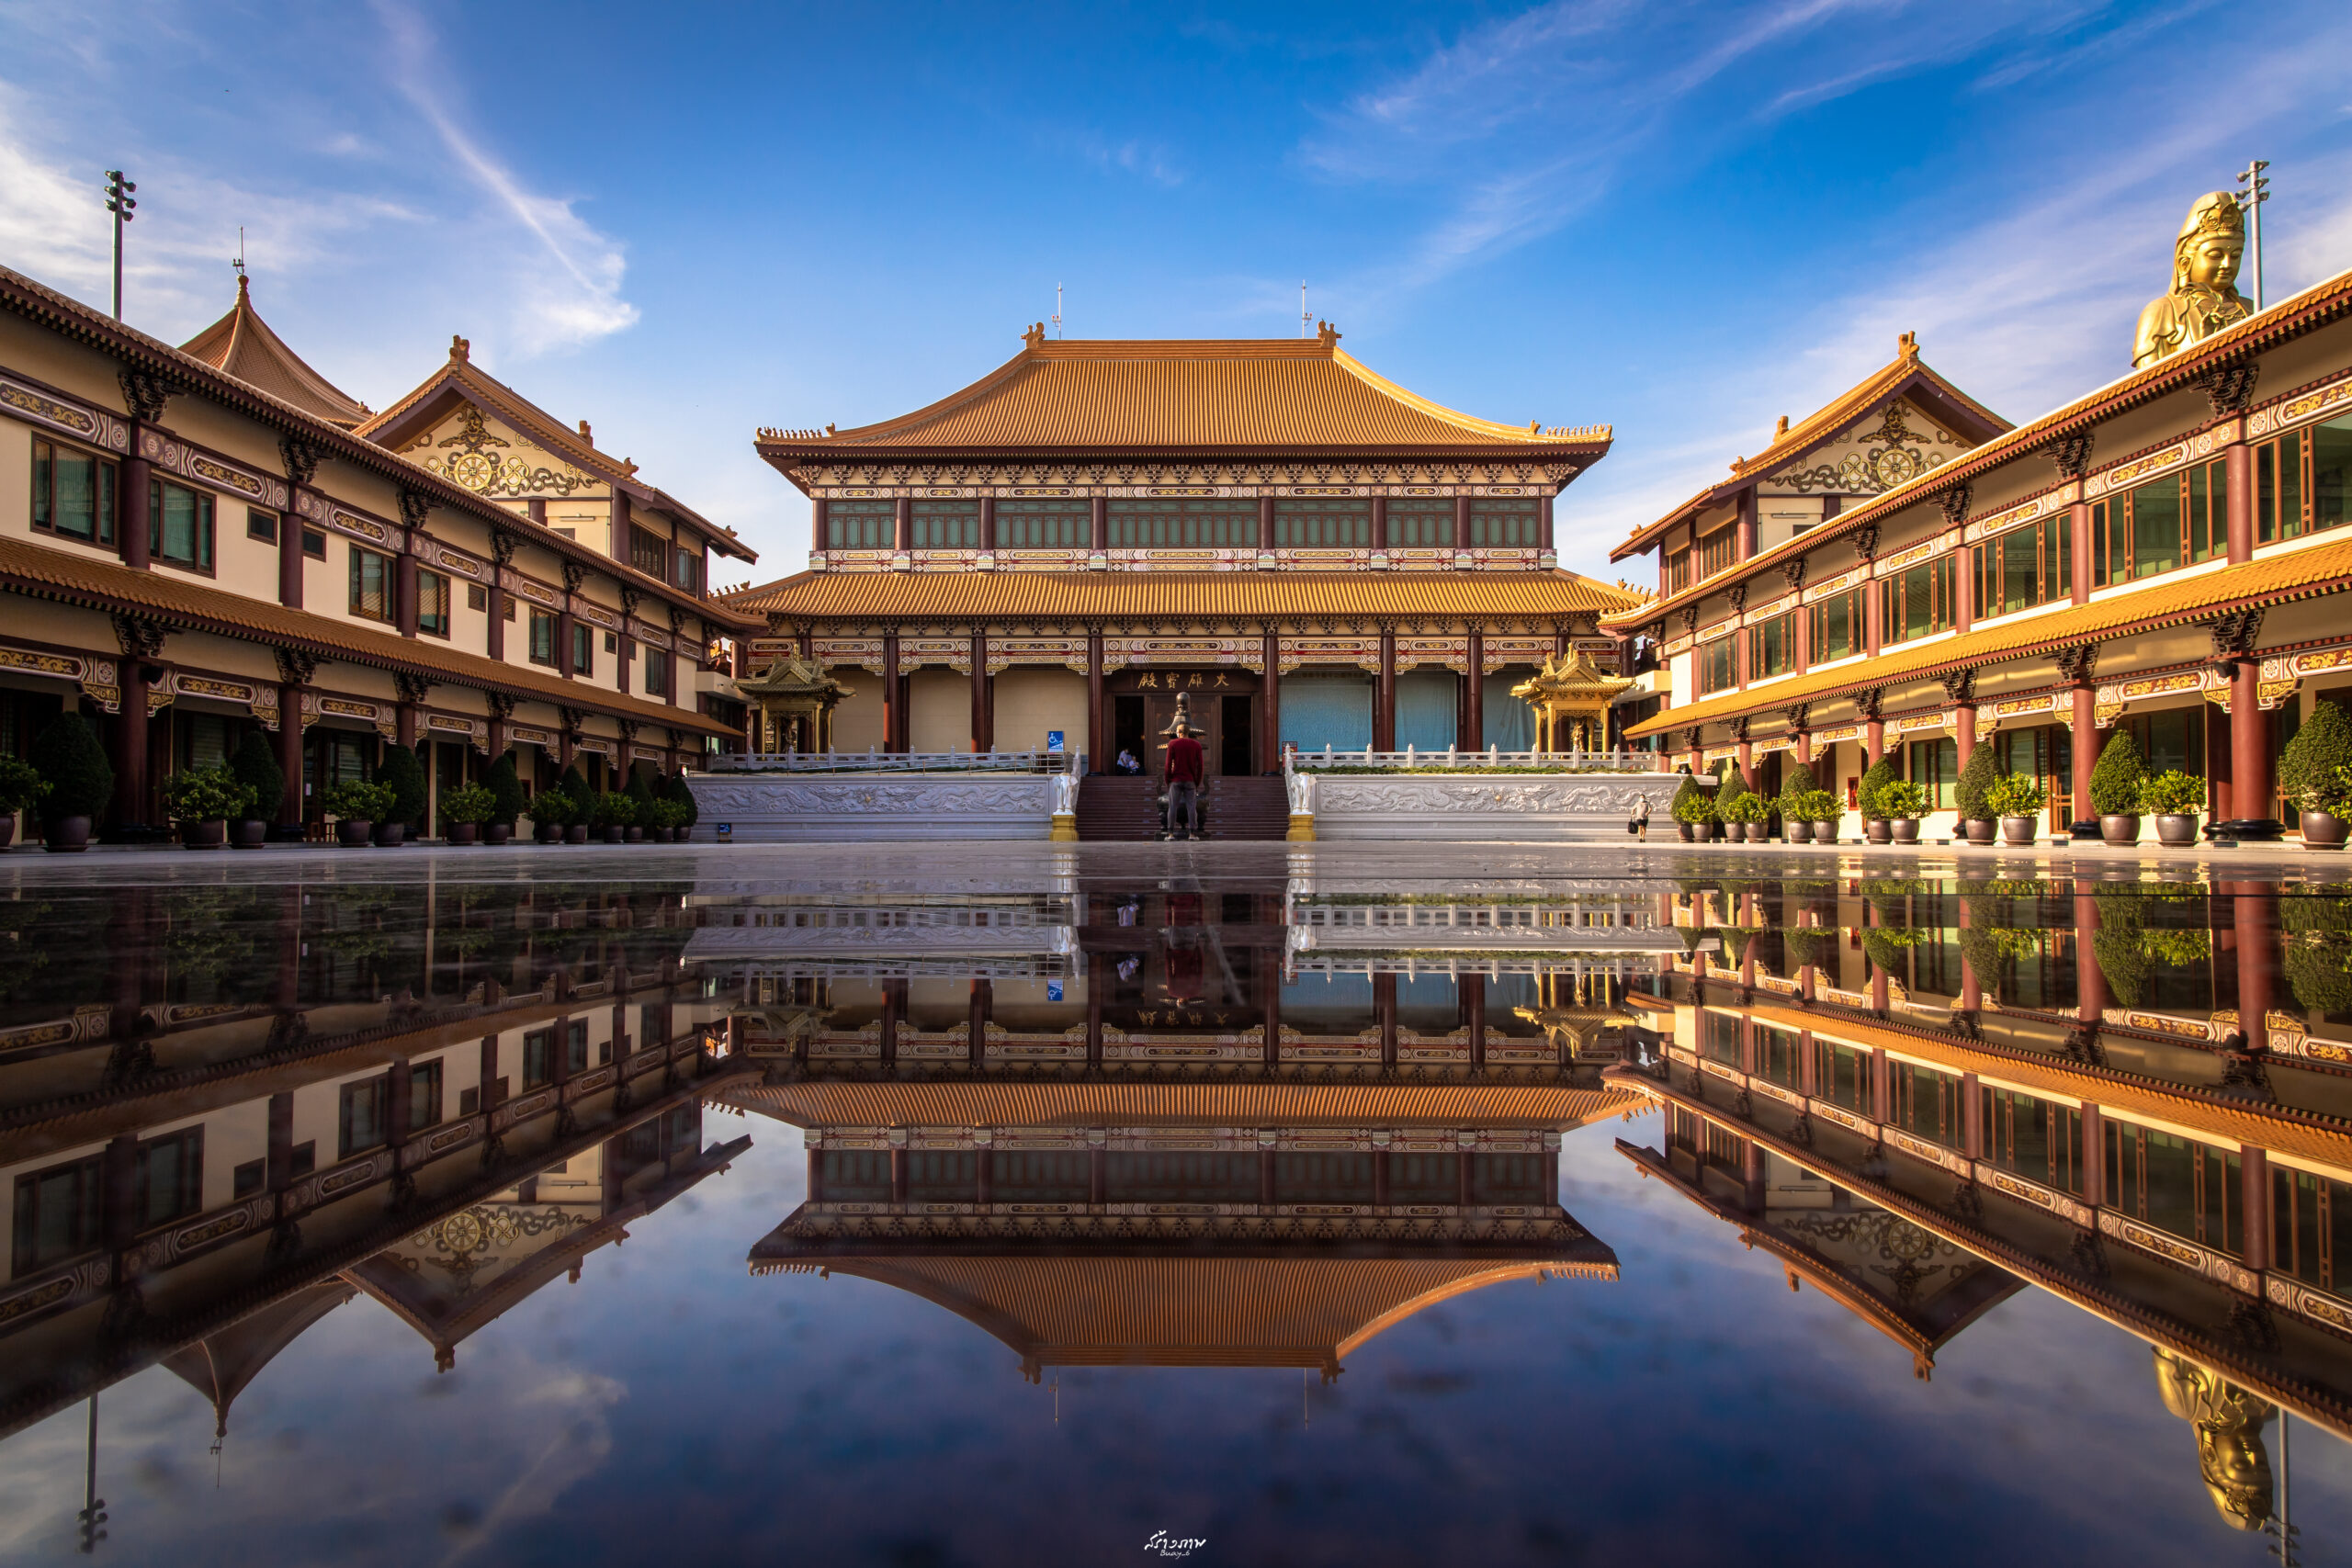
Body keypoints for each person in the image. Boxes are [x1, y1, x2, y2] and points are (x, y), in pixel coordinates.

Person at [1164, 725, 1204, 840]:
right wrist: (1197, 782)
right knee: (1191, 807)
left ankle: (1170, 833)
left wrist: (1168, 780)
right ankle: (1192, 833)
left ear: (1179, 732)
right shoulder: (1196, 745)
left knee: (1172, 807)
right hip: (1190, 780)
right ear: (1188, 732)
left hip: (1175, 781)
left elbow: (1168, 765)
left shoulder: (1172, 744)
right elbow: (1200, 766)